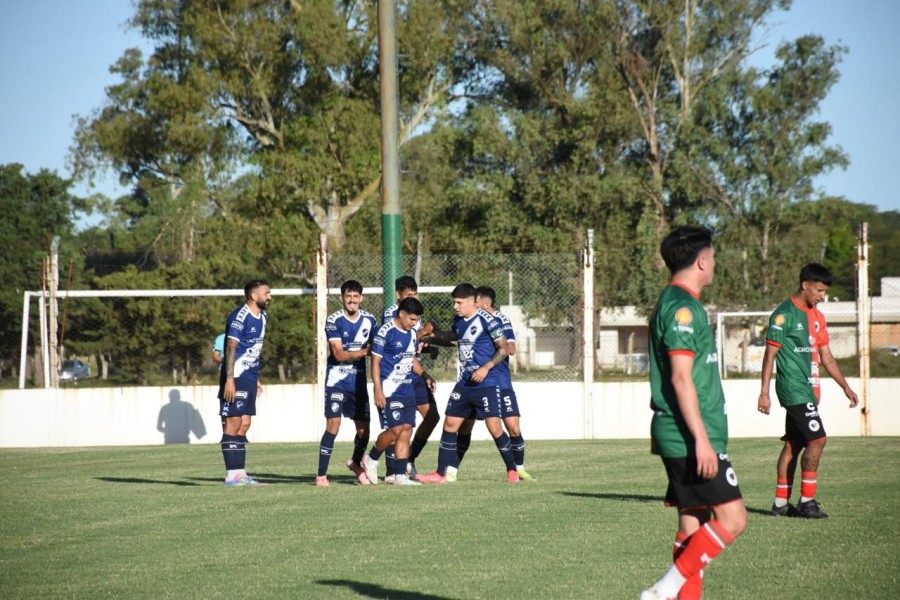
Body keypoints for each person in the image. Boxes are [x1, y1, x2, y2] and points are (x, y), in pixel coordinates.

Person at [640, 227, 747, 600]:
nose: (714, 264)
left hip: (685, 435)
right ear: (702, 260)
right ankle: (663, 591)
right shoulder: (682, 307)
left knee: (693, 525)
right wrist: (702, 440)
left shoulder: (676, 302)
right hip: (689, 437)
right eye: (713, 257)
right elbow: (681, 378)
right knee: (733, 520)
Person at [757, 263, 859, 518]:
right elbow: (770, 356)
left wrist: (845, 386)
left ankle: (780, 504)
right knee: (818, 439)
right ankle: (807, 500)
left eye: (825, 291)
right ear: (805, 285)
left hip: (810, 390)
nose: (822, 296)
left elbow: (827, 357)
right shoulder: (784, 314)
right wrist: (765, 392)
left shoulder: (818, 317)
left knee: (794, 444)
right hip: (792, 388)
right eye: (819, 290)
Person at [416, 283, 519, 484]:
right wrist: (433, 336)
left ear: (472, 301)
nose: (455, 306)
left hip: (486, 383)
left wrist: (486, 367)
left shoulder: (488, 320)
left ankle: (512, 470)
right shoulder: (460, 320)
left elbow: (504, 348)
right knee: (450, 424)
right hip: (464, 382)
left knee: (494, 428)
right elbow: (454, 337)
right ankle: (440, 474)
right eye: (454, 302)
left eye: (459, 302)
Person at [449, 286, 533, 482]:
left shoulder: (500, 320)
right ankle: (451, 471)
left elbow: (509, 348)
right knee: (463, 426)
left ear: (482, 303)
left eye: (475, 302)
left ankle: (517, 469)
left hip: (499, 381)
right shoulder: (466, 320)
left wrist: (491, 343)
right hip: (474, 381)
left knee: (511, 427)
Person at [361, 296, 436, 486]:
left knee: (406, 430)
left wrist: (425, 375)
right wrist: (378, 390)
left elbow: (411, 361)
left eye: (417, 320)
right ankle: (371, 458)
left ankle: (400, 476)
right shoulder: (385, 332)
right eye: (412, 319)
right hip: (389, 390)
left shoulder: (411, 334)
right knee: (395, 430)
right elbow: (375, 362)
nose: (415, 323)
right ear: (401, 314)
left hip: (407, 388)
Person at [316, 280, 377, 487]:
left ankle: (355, 463)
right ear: (342, 298)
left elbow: (379, 346)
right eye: (348, 296)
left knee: (364, 430)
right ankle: (321, 475)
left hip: (358, 383)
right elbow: (339, 354)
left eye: (355, 296)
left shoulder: (370, 320)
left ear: (361, 298)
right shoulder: (333, 321)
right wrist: (364, 352)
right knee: (333, 424)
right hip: (337, 382)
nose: (352, 300)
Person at [381, 276, 441, 482]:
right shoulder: (391, 314)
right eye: (408, 295)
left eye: (415, 295)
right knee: (397, 426)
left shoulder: (416, 313)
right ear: (399, 296)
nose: (413, 299)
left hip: (415, 373)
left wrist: (429, 347)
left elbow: (415, 345)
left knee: (432, 417)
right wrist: (423, 332)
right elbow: (399, 342)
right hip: (397, 376)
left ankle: (409, 460)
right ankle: (389, 469)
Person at [219, 279, 272, 487]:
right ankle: (232, 475)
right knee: (233, 422)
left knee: (245, 423)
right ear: (254, 296)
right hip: (236, 375)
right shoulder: (239, 317)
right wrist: (229, 380)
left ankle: (241, 473)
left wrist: (256, 378)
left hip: (250, 376)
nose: (269, 296)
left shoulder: (263, 317)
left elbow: (253, 349)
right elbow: (231, 348)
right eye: (266, 293)